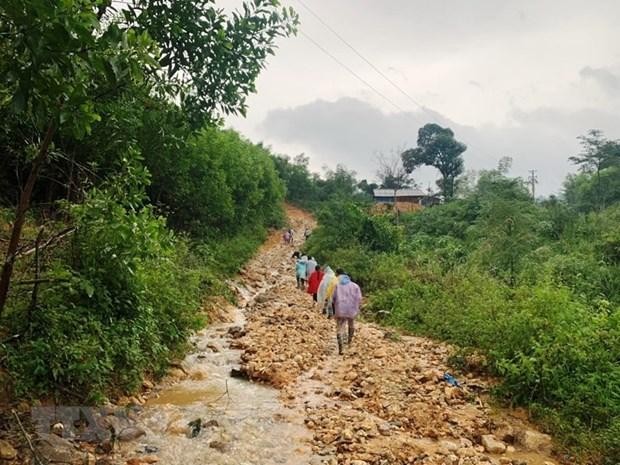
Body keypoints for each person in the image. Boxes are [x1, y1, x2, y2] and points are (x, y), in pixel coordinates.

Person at [332, 269, 362, 355]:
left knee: (339, 327)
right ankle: (349, 342)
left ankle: (340, 347)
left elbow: (333, 298)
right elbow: (359, 299)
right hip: (351, 309)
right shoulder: (355, 286)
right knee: (351, 324)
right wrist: (357, 307)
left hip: (340, 309)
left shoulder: (337, 286)